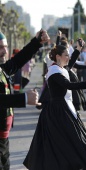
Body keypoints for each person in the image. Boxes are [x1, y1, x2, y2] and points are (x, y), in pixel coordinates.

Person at [23, 44, 86, 170]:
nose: (68, 57)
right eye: (66, 55)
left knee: (74, 141)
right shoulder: (54, 71)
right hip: (57, 112)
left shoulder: (61, 67)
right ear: (58, 57)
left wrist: (78, 50)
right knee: (66, 143)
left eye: (68, 55)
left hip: (65, 109)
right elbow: (68, 85)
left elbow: (71, 62)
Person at [0, 30, 50, 170]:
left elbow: (17, 61)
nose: (4, 51)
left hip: (3, 140)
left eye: (5, 46)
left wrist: (36, 43)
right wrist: (24, 98)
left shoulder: (1, 69)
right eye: (0, 47)